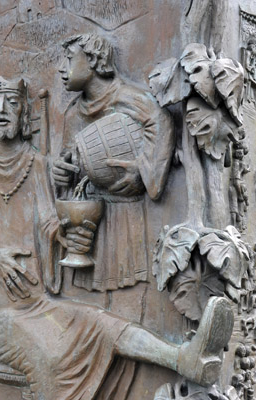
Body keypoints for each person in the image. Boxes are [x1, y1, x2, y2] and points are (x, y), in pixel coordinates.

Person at [0, 76, 234, 400]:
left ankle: (183, 358)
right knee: (50, 355)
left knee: (101, 323)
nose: (2, 110)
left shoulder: (37, 166)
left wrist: (64, 235)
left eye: (12, 104)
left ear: (23, 116)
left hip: (33, 302)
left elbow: (48, 222)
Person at [53, 33, 175, 292]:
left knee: (128, 292)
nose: (62, 68)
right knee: (87, 299)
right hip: (89, 223)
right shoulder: (73, 114)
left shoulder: (128, 97)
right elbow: (70, 165)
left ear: (94, 61)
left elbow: (162, 121)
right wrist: (61, 175)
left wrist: (143, 171)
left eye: (70, 59)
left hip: (124, 214)